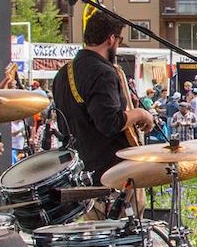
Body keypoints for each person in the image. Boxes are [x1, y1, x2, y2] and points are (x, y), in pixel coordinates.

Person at [52, 13, 155, 180]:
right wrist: (141, 114)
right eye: (119, 41)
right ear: (111, 39)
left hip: (76, 172)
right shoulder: (103, 73)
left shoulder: (63, 73)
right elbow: (110, 123)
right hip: (109, 173)